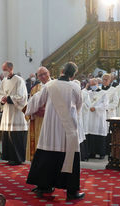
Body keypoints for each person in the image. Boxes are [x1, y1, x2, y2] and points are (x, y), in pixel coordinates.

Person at [26, 62, 84, 200]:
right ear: (73, 74)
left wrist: (29, 112)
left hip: (51, 127)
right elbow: (79, 106)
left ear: (62, 70)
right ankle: (71, 192)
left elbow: (36, 101)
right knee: (69, 156)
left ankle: (44, 186)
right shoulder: (75, 87)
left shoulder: (50, 86)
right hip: (68, 128)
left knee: (47, 155)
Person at [0, 62, 28, 165]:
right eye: (3, 69)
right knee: (7, 135)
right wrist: (1, 100)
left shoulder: (19, 80)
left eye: (5, 69)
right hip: (7, 111)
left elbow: (22, 96)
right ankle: (9, 157)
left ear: (11, 69)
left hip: (16, 112)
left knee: (16, 135)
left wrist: (9, 98)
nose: (3, 72)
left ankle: (17, 158)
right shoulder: (4, 81)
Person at [26, 67, 51, 161]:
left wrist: (47, 110)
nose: (43, 76)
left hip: (51, 119)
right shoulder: (34, 89)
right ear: (38, 77)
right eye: (40, 75)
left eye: (45, 73)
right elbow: (29, 104)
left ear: (49, 73)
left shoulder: (55, 85)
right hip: (37, 120)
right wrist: (35, 111)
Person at [84, 78, 108, 159]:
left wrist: (96, 108)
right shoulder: (88, 93)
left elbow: (105, 104)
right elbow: (85, 102)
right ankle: (92, 152)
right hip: (90, 116)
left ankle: (101, 153)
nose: (92, 86)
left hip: (99, 116)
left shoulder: (103, 93)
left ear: (97, 84)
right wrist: (89, 107)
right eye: (91, 85)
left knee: (99, 134)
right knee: (91, 134)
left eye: (94, 85)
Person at [102, 74, 118, 154]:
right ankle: (101, 150)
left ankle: (108, 150)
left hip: (109, 113)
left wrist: (106, 107)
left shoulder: (113, 90)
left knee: (108, 132)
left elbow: (115, 102)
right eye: (103, 79)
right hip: (100, 114)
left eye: (106, 80)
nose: (104, 81)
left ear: (110, 81)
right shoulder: (99, 90)